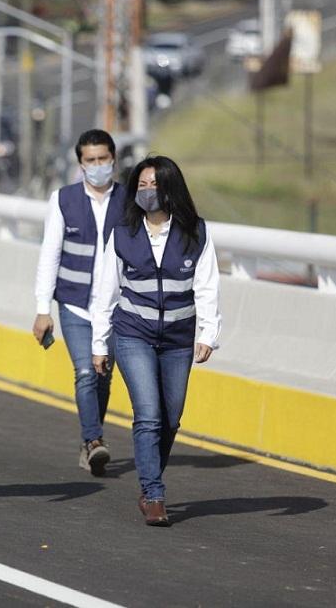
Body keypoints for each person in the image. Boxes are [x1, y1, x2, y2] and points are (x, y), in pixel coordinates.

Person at [91, 155, 221, 526]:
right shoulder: (123, 234)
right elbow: (106, 293)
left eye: (155, 185)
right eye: (141, 186)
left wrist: (207, 332)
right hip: (134, 333)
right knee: (148, 415)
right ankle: (154, 493)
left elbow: (207, 285)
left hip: (179, 338)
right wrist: (100, 344)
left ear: (171, 188)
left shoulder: (195, 232)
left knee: (171, 419)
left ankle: (151, 479)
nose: (148, 193)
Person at [32, 129, 126, 476]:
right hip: (73, 304)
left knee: (103, 375)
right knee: (86, 370)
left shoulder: (130, 201)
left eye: (103, 159)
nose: (98, 166)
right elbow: (49, 254)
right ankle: (92, 440)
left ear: (113, 159)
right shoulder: (63, 200)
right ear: (81, 164)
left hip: (116, 309)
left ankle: (91, 439)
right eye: (91, 160)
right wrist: (43, 309)